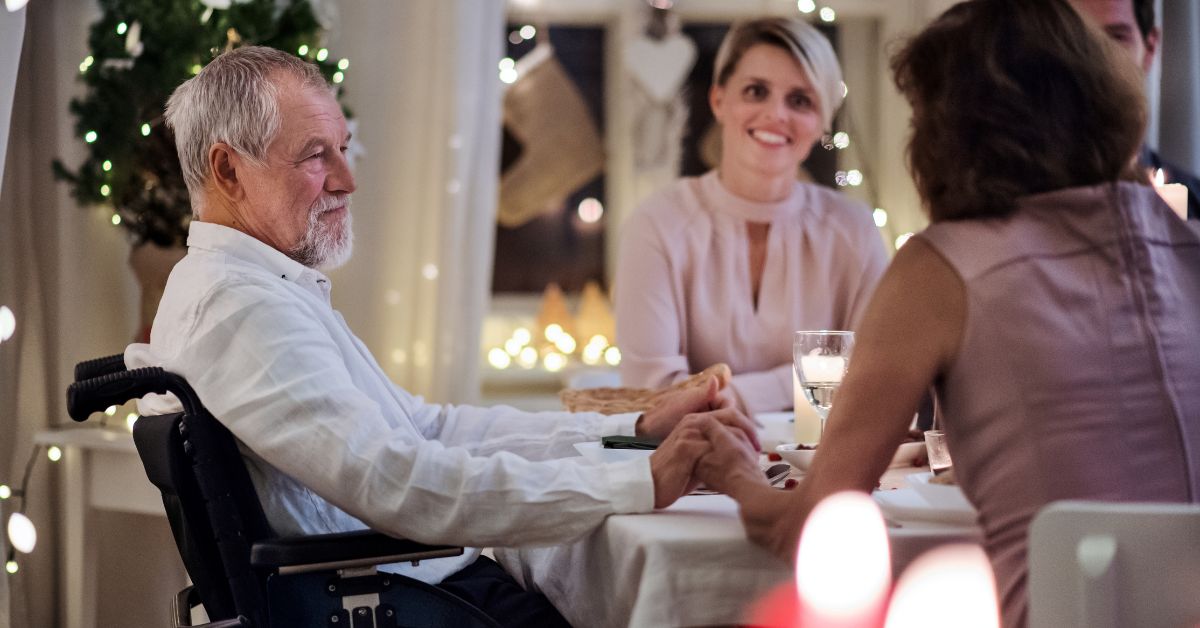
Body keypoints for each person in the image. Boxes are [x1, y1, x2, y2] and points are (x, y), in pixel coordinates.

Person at [125, 46, 759, 627]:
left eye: (344, 149)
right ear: (229, 171)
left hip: (412, 586)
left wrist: (633, 431)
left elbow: (429, 430)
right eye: (317, 155)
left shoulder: (257, 290)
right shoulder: (240, 311)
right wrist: (641, 480)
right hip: (401, 603)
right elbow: (399, 482)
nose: (347, 179)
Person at [696, 1, 1200, 626]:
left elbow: (815, 529)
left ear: (948, 129)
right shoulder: (1186, 240)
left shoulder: (940, 268)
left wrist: (735, 474)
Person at [614, 17, 889, 416]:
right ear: (718, 101)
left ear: (822, 122)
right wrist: (805, 379)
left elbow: (871, 375)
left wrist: (736, 395)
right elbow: (652, 395)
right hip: (690, 464)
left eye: (800, 100)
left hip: (823, 466)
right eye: (756, 91)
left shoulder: (854, 230)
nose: (776, 114)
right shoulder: (657, 224)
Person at [1069, 0, 1199, 220]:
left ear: (1149, 49)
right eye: (1074, 38)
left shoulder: (1192, 205)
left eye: (1116, 38)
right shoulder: (1010, 205)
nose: (1093, 60)